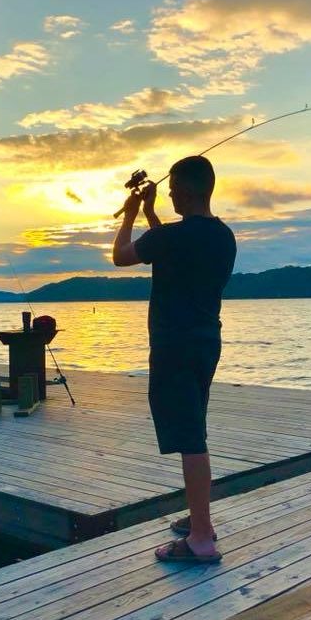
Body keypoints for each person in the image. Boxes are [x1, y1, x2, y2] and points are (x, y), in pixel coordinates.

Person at [111, 155, 236, 563]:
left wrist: (130, 214)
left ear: (182, 191)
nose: (168, 195)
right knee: (193, 428)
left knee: (190, 437)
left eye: (170, 191)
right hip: (205, 341)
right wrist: (149, 211)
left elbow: (122, 255)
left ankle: (201, 538)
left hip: (173, 345)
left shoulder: (173, 238)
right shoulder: (222, 236)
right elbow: (172, 248)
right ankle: (201, 519)